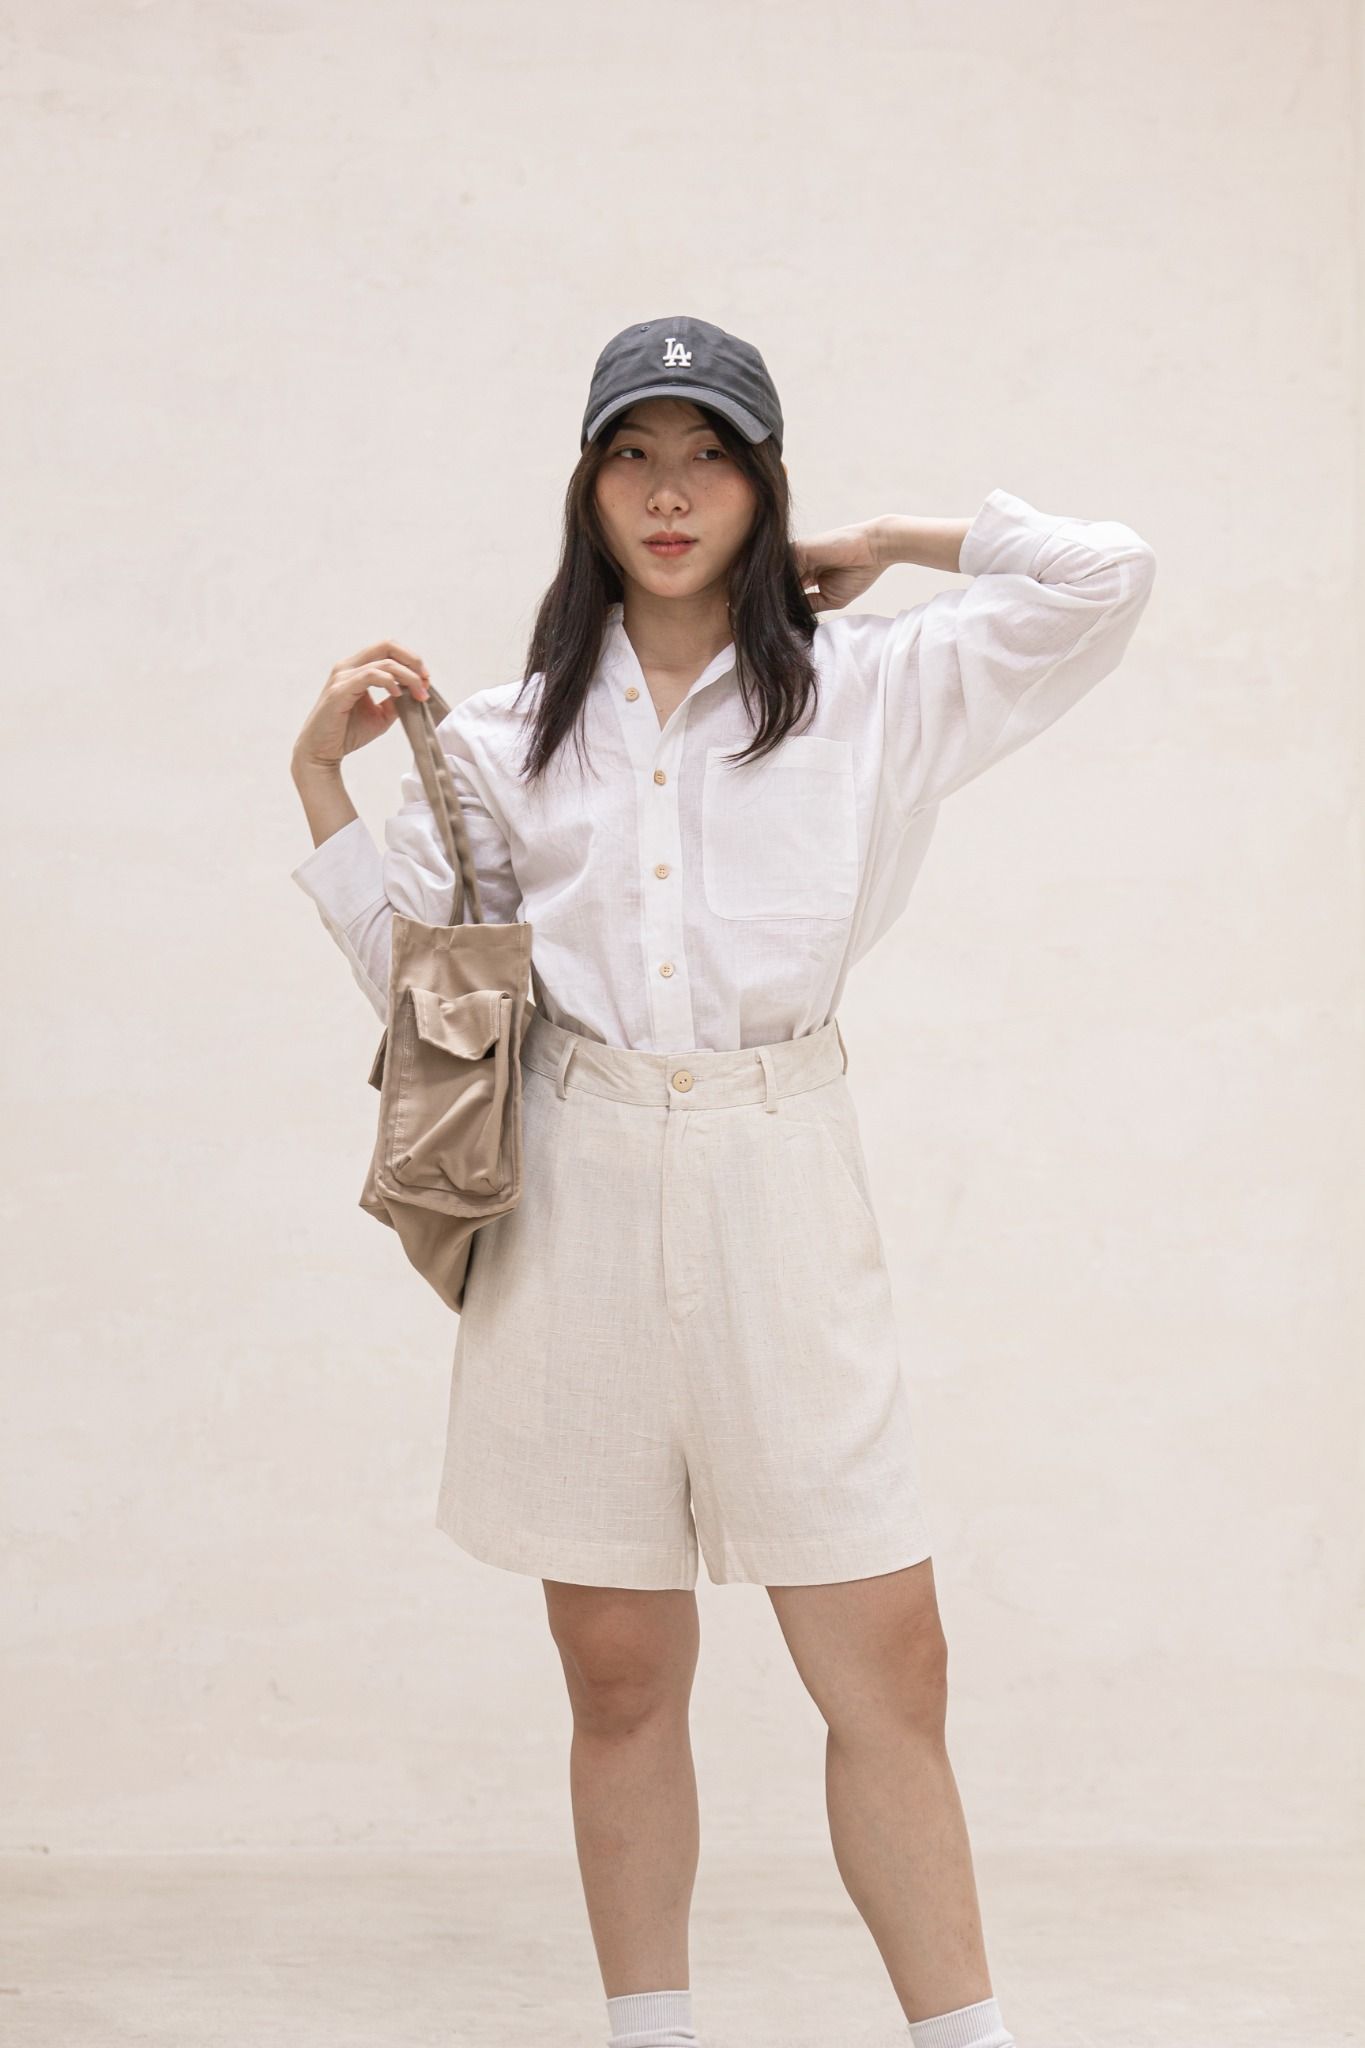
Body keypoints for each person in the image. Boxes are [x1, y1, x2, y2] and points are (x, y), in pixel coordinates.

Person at [288, 314, 1158, 2048]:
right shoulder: (505, 734)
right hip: (574, 1188)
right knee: (617, 1670)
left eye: (708, 456)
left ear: (764, 485)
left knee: (887, 1663)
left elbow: (1105, 575)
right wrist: (320, 775)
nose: (668, 492)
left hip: (779, 1170)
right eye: (633, 455)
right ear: (587, 489)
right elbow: (424, 985)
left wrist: (893, 539)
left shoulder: (869, 689)